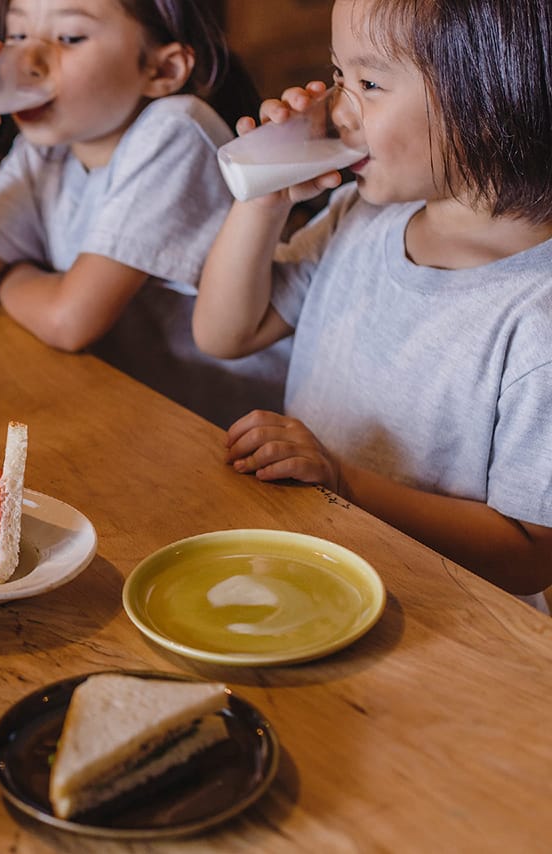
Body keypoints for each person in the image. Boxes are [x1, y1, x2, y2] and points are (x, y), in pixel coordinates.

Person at [192, 0, 552, 610]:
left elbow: (527, 554)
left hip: (445, 625)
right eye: (338, 77)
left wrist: (342, 480)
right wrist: (264, 202)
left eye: (369, 83)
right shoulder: (362, 218)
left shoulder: (534, 317)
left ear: (489, 107)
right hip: (312, 576)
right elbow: (226, 332)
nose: (339, 110)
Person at [0, 0, 289, 428]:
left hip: (237, 429)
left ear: (163, 71)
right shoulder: (44, 153)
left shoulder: (174, 131)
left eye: (69, 38)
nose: (27, 60)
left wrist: (6, 276)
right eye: (17, 35)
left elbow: (70, 320)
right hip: (142, 420)